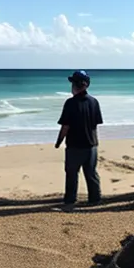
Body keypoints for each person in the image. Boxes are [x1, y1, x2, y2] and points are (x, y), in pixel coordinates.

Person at [55, 70, 103, 207]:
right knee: (91, 173)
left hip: (75, 145)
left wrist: (59, 141)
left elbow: (65, 126)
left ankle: (70, 199)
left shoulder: (70, 103)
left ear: (74, 86)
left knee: (72, 174)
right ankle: (95, 198)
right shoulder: (94, 102)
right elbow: (95, 124)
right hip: (91, 144)